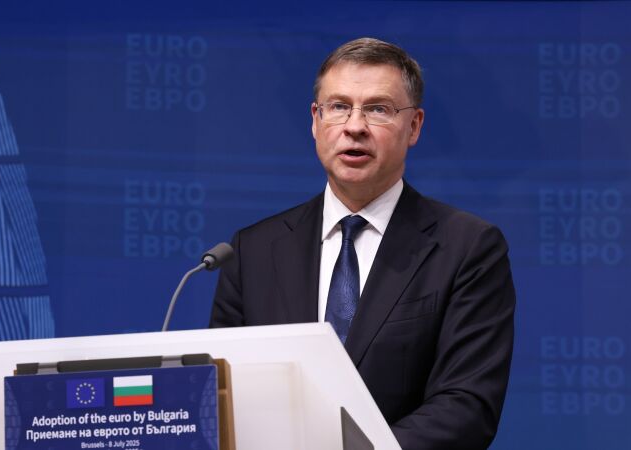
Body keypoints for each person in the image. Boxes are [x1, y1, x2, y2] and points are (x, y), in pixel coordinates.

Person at [209, 37, 515, 450]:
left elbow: (466, 406)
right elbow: (220, 394)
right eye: (339, 106)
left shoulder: (468, 248)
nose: (355, 126)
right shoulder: (252, 251)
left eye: (378, 109)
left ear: (414, 126)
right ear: (316, 121)